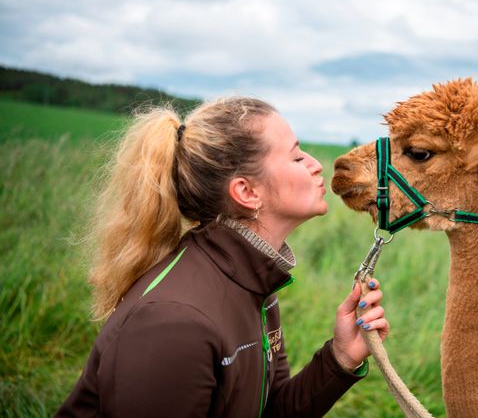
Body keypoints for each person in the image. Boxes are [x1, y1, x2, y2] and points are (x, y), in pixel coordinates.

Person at [55, 97, 389, 417]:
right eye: (297, 157)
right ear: (247, 192)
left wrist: (340, 358)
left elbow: (269, 411)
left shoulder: (254, 282)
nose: (317, 166)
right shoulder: (172, 323)